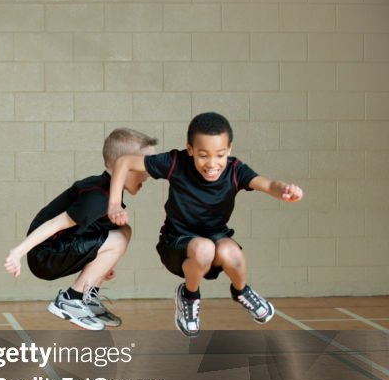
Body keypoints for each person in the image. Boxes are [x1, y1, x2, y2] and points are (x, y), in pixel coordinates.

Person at [107, 111, 303, 337]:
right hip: (177, 245)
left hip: (215, 238)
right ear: (190, 149)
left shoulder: (235, 169)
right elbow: (123, 162)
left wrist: (285, 190)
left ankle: (241, 291)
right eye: (203, 155)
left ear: (229, 150)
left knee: (231, 252)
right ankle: (189, 296)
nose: (212, 164)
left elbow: (269, 185)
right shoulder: (175, 162)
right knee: (204, 248)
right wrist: (114, 205)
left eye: (220, 155)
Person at [5, 128, 157, 330]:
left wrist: (102, 267)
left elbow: (96, 232)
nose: (151, 172)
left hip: (60, 248)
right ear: (126, 166)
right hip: (45, 254)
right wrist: (17, 253)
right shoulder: (98, 197)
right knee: (119, 238)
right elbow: (54, 224)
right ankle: (70, 299)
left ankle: (88, 296)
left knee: (123, 231)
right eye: (146, 165)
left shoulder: (109, 193)